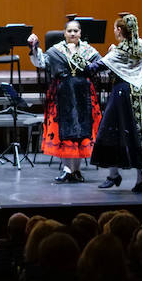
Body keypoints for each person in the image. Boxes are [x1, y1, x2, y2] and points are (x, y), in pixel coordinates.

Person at [88, 13, 142, 193]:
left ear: (119, 30)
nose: (114, 31)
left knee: (109, 131)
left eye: (115, 28)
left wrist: (87, 61)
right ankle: (139, 178)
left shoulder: (119, 52)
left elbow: (95, 68)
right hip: (140, 94)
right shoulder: (139, 47)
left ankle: (114, 174)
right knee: (136, 134)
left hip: (122, 94)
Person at [27, 17, 102, 183]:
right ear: (64, 33)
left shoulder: (89, 51)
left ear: (80, 33)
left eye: (76, 31)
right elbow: (41, 62)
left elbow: (101, 65)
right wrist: (34, 48)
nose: (73, 33)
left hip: (84, 96)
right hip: (62, 95)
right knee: (64, 131)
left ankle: (76, 170)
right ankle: (68, 169)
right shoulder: (56, 51)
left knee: (82, 132)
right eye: (70, 31)